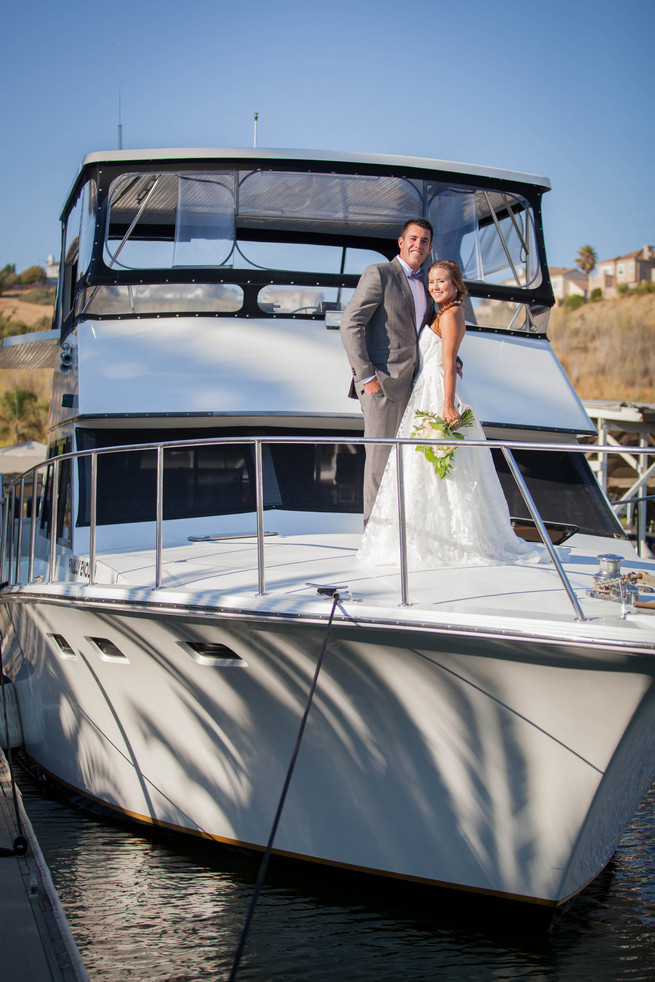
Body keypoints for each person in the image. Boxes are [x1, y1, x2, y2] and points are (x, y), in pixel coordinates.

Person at [358, 260, 542, 568]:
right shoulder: (440, 313)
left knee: (444, 467)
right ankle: (424, 531)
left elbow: (447, 362)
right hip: (423, 389)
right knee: (420, 468)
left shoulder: (453, 313)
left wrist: (447, 404)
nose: (435, 286)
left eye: (442, 281)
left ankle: (449, 537)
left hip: (437, 391)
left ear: (456, 284)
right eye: (431, 281)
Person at [340, 219, 434, 525]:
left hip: (416, 388)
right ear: (401, 242)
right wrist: (366, 378)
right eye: (413, 238)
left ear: (430, 247)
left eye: (424, 241)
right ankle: (373, 538)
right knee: (380, 465)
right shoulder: (379, 274)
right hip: (382, 385)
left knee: (407, 465)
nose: (418, 245)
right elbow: (350, 323)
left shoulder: (429, 283)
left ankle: (400, 534)